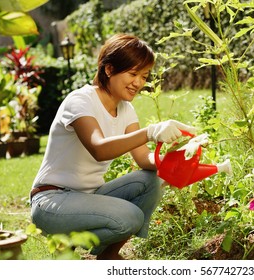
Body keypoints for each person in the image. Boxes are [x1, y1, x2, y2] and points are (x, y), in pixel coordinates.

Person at [30, 33, 195, 260]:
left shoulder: (126, 110)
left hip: (89, 196)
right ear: (108, 70)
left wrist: (175, 160)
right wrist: (150, 132)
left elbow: (143, 159)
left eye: (144, 76)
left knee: (151, 180)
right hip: (52, 200)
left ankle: (107, 257)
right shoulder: (80, 101)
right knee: (130, 217)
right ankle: (63, 243)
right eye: (133, 73)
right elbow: (99, 149)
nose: (138, 83)